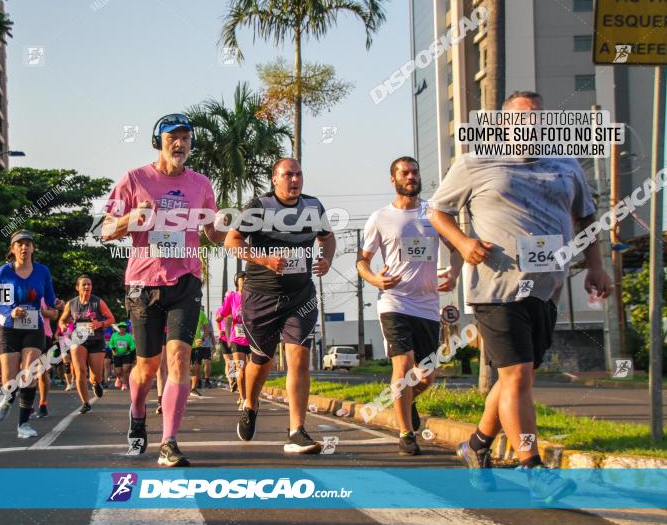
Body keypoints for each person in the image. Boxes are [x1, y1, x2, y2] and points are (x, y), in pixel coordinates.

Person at [428, 90, 612, 502]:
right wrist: (461, 244)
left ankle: (475, 446)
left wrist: (596, 266)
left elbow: (585, 216)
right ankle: (532, 468)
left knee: (518, 376)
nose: (531, 125)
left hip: (547, 288)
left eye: (538, 118)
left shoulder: (564, 164)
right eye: (521, 118)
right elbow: (438, 211)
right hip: (496, 287)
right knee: (517, 376)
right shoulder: (476, 160)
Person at [102, 112, 224, 467]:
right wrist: (131, 218)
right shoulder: (135, 179)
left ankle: (169, 441)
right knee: (146, 366)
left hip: (185, 280)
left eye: (186, 138)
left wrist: (221, 226)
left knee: (180, 358)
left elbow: (211, 234)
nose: (180, 143)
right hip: (143, 284)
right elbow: (105, 229)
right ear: (159, 141)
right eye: (173, 137)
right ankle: (138, 411)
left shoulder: (201, 184)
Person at [225, 158, 335, 454]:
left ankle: (297, 431)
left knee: (299, 357)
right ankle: (250, 402)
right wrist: (263, 260)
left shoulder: (313, 207)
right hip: (260, 297)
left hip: (300, 296)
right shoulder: (259, 207)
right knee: (261, 362)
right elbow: (232, 241)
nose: (295, 179)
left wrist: (326, 259)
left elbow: (328, 238)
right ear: (275, 179)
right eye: (288, 175)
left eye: (299, 174)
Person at [357, 156, 462, 455]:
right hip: (394, 302)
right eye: (404, 173)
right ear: (393, 179)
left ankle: (405, 399)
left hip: (428, 306)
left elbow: (457, 250)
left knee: (427, 375)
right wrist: (375, 280)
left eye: (415, 171)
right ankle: (406, 433)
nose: (411, 177)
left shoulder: (435, 214)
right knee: (402, 365)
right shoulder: (380, 218)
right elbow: (362, 260)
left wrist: (453, 274)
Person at [0, 229, 59, 439]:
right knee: (9, 378)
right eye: (19, 244)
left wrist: (57, 303)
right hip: (8, 327)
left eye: (28, 243)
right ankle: (8, 399)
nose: (24, 247)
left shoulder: (42, 271)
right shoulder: (4, 272)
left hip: (33, 326)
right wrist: (9, 311)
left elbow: (49, 298)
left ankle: (23, 425)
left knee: (30, 372)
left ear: (33, 248)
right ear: (12, 249)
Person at [58, 275, 116, 413]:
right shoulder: (71, 304)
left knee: (96, 376)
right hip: (78, 340)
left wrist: (100, 324)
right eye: (84, 284)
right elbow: (62, 320)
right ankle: (85, 403)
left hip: (96, 340)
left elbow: (111, 319)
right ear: (77, 287)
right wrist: (63, 327)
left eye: (89, 284)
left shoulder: (98, 302)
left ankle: (96, 384)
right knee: (80, 371)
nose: (87, 287)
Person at [215, 272, 250, 408]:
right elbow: (223, 312)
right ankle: (243, 398)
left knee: (251, 369)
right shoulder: (232, 296)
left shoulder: (253, 296)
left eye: (247, 277)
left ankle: (250, 396)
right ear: (237, 281)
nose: (245, 280)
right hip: (237, 338)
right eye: (242, 278)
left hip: (252, 337)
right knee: (240, 369)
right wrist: (219, 317)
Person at [34, 296, 64, 418]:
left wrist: (40, 310)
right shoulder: (18, 289)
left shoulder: (46, 294)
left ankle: (43, 403)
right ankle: (28, 406)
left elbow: (55, 314)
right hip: (22, 335)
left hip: (44, 335)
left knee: (42, 371)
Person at [189, 307, 213, 396]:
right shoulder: (182, 310)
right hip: (184, 344)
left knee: (197, 367)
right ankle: (182, 387)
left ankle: (193, 388)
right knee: (184, 367)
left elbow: (207, 329)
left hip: (196, 345)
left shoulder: (201, 313)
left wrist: (202, 339)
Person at [109, 322, 136, 390]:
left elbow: (133, 345)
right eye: (120, 327)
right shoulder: (114, 335)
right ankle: (118, 378)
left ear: (125, 328)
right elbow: (110, 343)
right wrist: (113, 348)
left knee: (125, 369)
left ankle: (124, 384)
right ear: (118, 328)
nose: (122, 328)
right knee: (118, 371)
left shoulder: (128, 336)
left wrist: (129, 348)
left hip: (126, 354)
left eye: (123, 327)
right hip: (117, 355)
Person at [216, 312, 234, 390]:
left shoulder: (238, 307)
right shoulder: (221, 310)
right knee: (229, 361)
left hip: (236, 339)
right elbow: (217, 321)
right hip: (224, 339)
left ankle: (238, 379)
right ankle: (231, 381)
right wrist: (219, 330)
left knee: (236, 361)